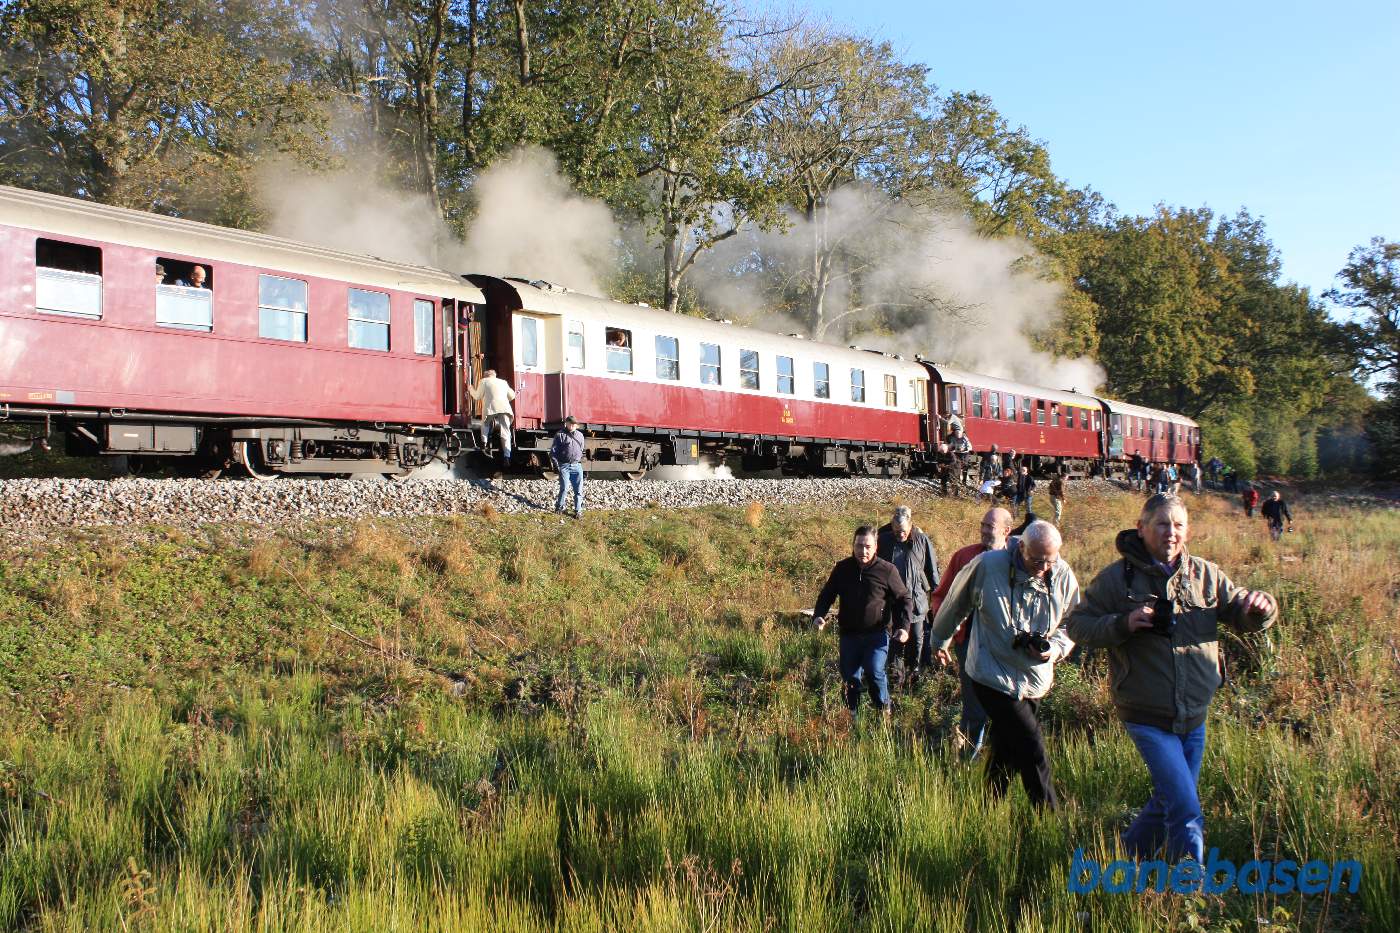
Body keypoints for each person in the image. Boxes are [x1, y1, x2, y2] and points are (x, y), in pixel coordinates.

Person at [1066, 494, 1277, 864]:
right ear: (1142, 528)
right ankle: (1187, 889)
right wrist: (1123, 623)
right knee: (1186, 809)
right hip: (1146, 714)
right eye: (1162, 524)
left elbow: (1241, 610)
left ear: (1188, 531)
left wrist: (1261, 608)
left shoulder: (1205, 575)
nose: (1171, 533)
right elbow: (1078, 626)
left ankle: (1127, 854)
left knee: (1169, 799)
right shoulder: (1117, 579)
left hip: (1195, 714)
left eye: (1178, 525)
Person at [930, 521, 1080, 809]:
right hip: (990, 673)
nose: (1044, 567)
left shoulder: (1061, 574)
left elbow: (1074, 621)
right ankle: (1049, 818)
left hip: (1034, 678)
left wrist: (1056, 649)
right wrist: (940, 641)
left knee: (1006, 748)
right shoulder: (988, 566)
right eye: (1037, 560)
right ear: (1020, 547)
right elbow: (954, 603)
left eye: (1050, 560)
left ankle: (987, 810)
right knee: (1032, 746)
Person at [929, 507, 1014, 757]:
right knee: (974, 704)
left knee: (1006, 704)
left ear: (1007, 531)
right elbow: (942, 597)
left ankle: (1001, 755)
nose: (985, 530)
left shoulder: (1017, 560)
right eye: (983, 525)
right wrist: (943, 638)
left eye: (991, 526)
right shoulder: (964, 556)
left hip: (1006, 644)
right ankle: (968, 757)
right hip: (969, 643)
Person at [813, 526, 913, 722]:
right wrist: (819, 615)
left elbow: (904, 599)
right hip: (849, 634)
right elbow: (827, 595)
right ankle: (853, 716)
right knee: (850, 677)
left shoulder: (887, 570)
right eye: (859, 546)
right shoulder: (843, 569)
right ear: (853, 545)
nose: (863, 551)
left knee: (874, 671)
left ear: (876, 547)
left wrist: (904, 627)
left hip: (877, 634)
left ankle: (883, 709)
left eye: (868, 546)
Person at [877, 507, 941, 688]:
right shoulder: (884, 541)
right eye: (896, 531)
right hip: (891, 603)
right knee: (894, 641)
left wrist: (937, 598)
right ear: (891, 527)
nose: (900, 535)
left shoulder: (922, 541)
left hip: (916, 602)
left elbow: (932, 571)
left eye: (904, 531)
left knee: (916, 641)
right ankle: (896, 679)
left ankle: (914, 675)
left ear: (911, 527)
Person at [468, 369, 517, 461]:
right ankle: (507, 456)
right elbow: (512, 396)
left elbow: (477, 396)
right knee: (505, 431)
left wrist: (470, 389)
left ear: (485, 375)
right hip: (505, 408)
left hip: (491, 407)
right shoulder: (503, 382)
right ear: (494, 375)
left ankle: (484, 443)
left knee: (485, 424)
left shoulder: (484, 381)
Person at [550, 415, 586, 518]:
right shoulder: (560, 435)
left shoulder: (580, 435)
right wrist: (557, 466)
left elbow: (581, 450)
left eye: (574, 424)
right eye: (571, 423)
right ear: (567, 423)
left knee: (578, 490)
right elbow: (553, 452)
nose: (573, 425)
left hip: (577, 466)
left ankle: (578, 511)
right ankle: (559, 507)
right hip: (564, 466)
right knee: (564, 488)